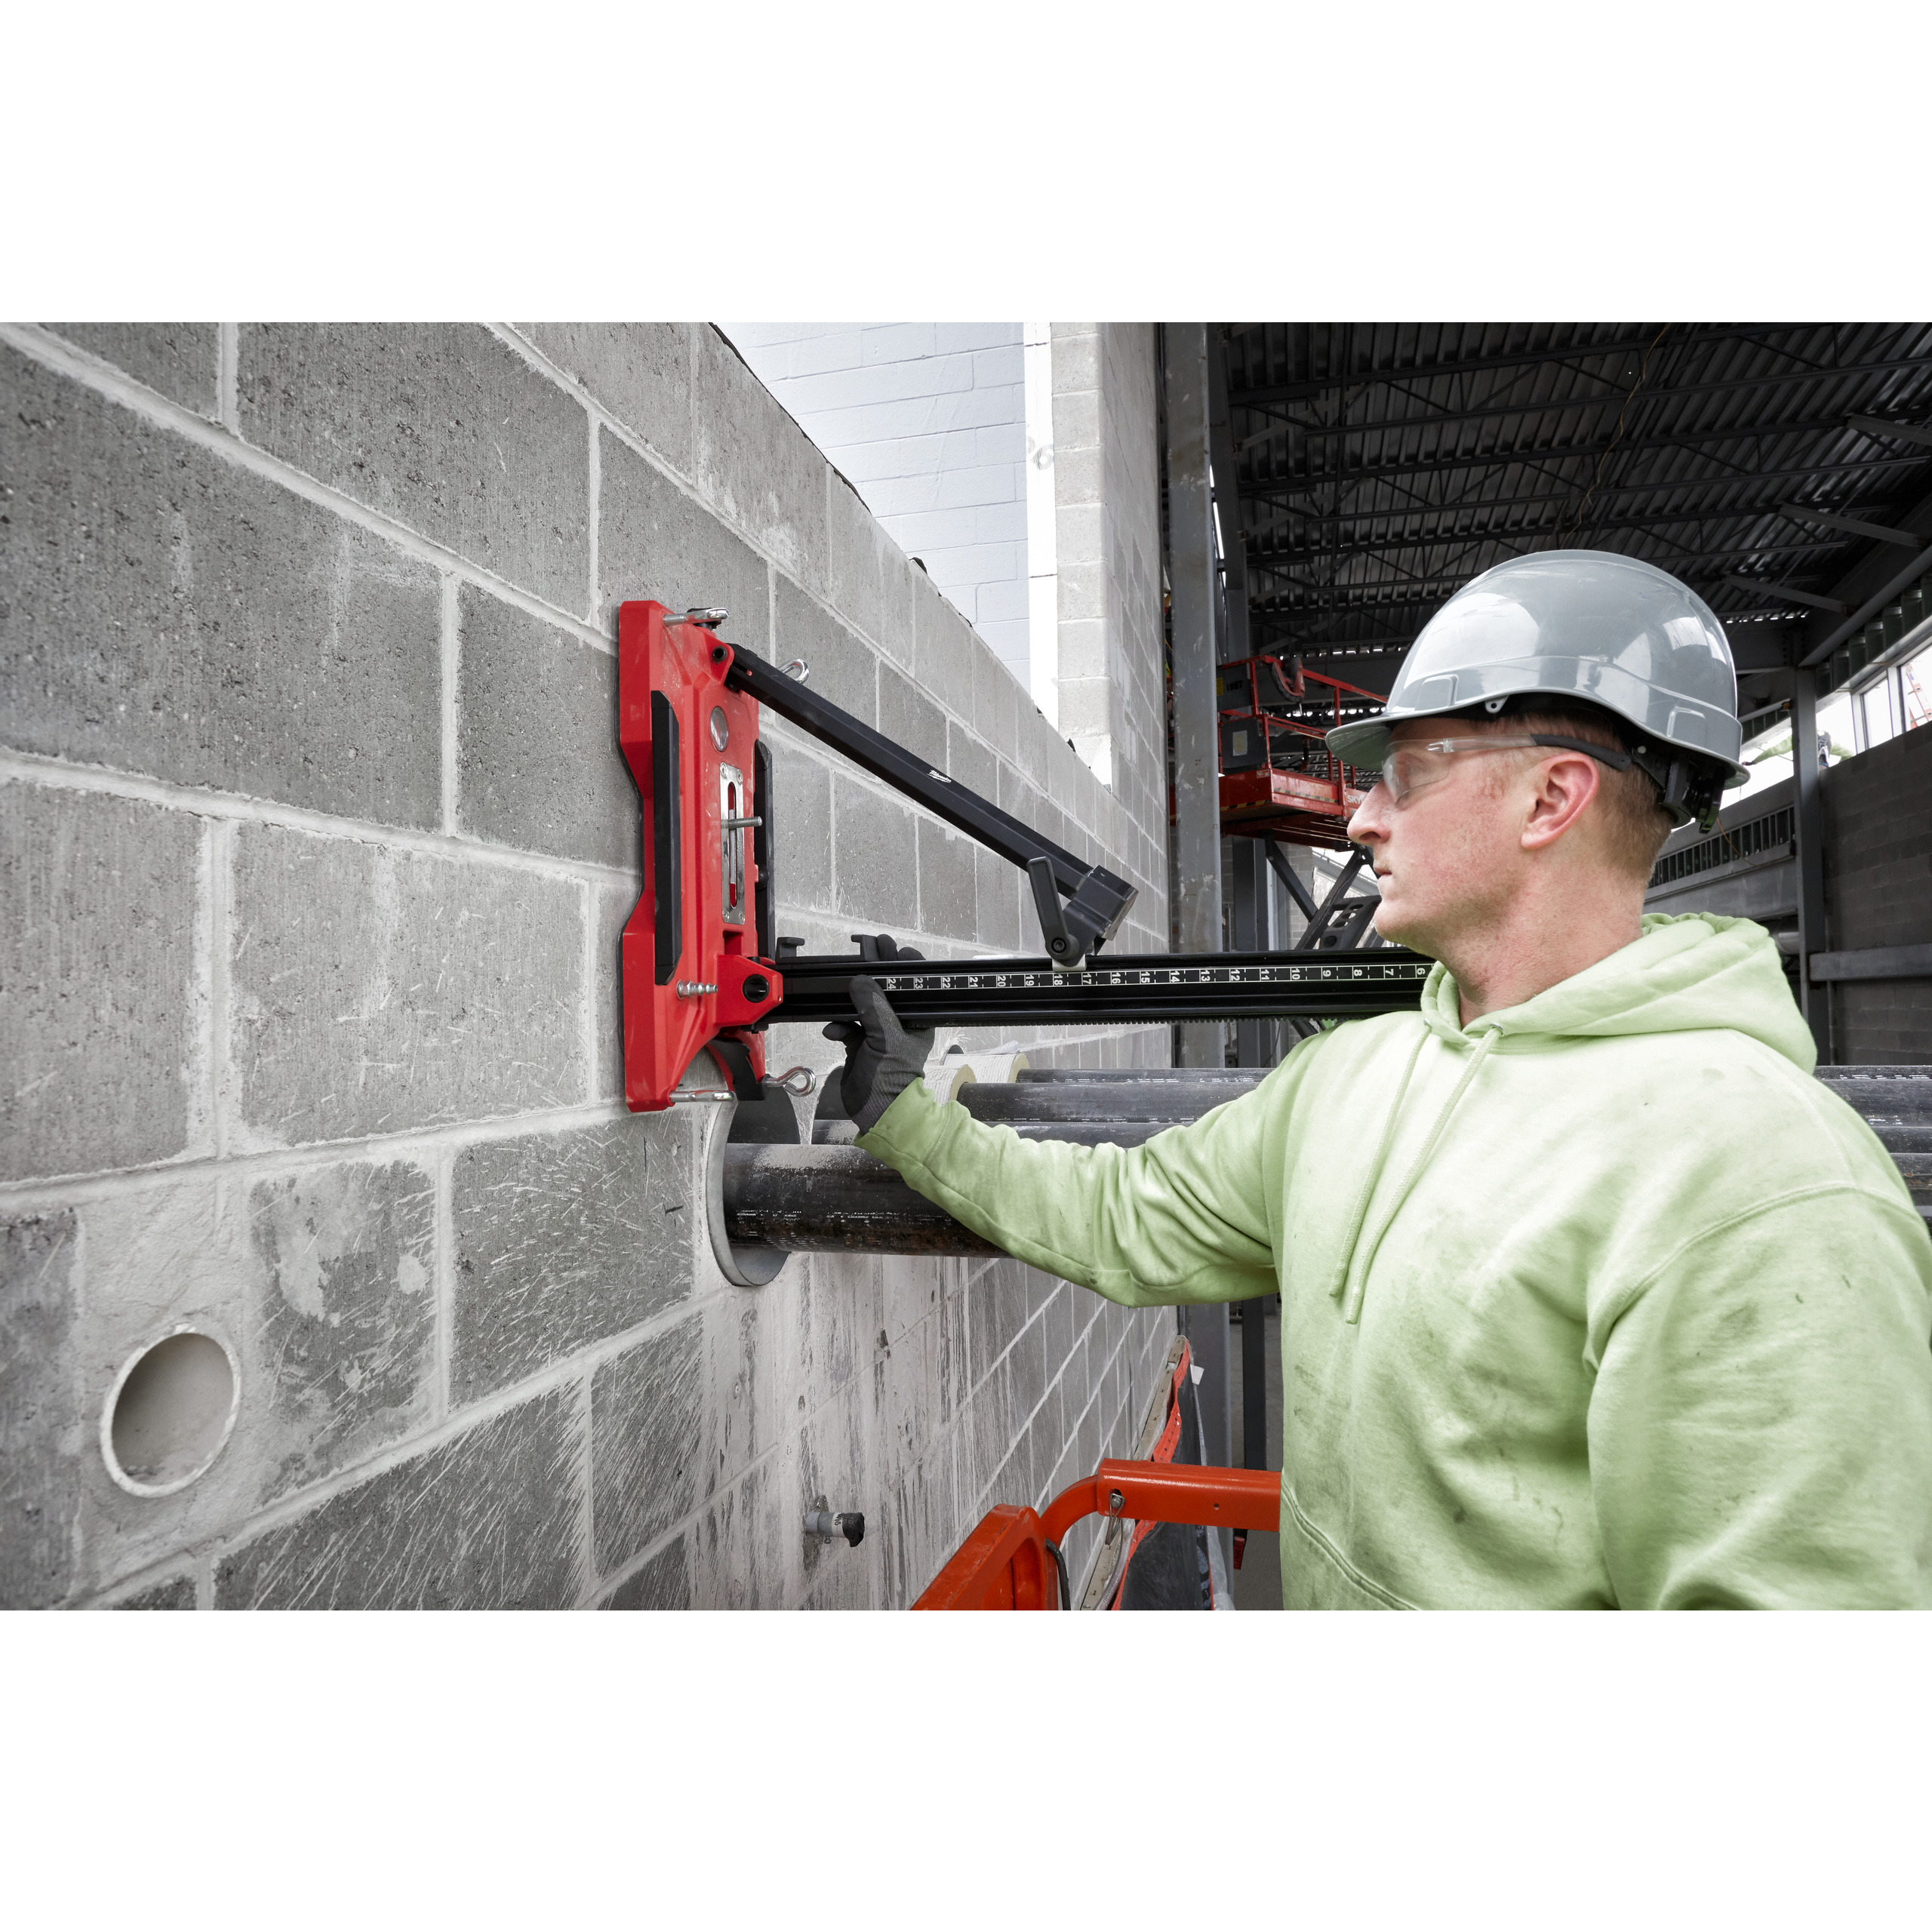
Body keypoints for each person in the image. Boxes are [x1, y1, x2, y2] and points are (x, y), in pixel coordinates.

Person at [826, 551, 1932, 1609]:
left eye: (1405, 774)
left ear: (1550, 798)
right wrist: (908, 1118)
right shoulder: (1350, 1077)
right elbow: (1125, 1215)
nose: (1361, 817)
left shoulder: (1762, 1179)